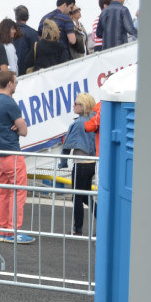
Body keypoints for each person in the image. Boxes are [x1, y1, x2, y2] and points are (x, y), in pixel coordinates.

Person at [0, 70, 35, 244]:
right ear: (9, 84)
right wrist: (16, 125)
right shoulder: (10, 103)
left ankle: (4, 230)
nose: (16, 85)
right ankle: (13, 231)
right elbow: (24, 130)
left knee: (2, 192)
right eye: (15, 82)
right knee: (18, 192)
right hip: (12, 153)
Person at [61, 92, 97, 235]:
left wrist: (63, 162)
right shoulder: (94, 120)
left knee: (77, 196)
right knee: (86, 195)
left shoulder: (77, 123)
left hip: (80, 163)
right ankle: (102, 219)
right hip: (92, 163)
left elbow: (67, 146)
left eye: (76, 103)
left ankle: (77, 228)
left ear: (83, 106)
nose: (73, 106)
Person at [14, 5, 40, 74]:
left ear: (16, 17)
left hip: (10, 74)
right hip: (27, 73)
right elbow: (37, 53)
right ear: (27, 17)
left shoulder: (8, 32)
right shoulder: (33, 33)